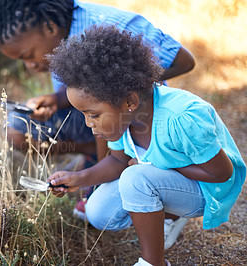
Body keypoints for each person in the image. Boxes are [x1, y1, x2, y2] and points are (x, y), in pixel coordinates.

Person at [47, 25, 246, 266]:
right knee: (99, 213)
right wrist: (79, 177)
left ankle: (153, 261)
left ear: (129, 100)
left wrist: (152, 165)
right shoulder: (123, 119)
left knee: (136, 177)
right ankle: (163, 211)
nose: (89, 124)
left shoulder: (181, 117)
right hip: (163, 181)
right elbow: (119, 160)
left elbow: (222, 173)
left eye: (94, 115)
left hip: (205, 190)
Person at [0, 0, 195, 160]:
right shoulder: (56, 40)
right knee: (16, 131)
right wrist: (56, 100)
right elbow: (83, 92)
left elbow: (184, 61)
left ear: (50, 27)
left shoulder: (110, 25)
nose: (30, 66)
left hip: (136, 115)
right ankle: (93, 155)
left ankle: (110, 169)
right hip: (94, 117)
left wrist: (117, 85)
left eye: (28, 55)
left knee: (103, 104)